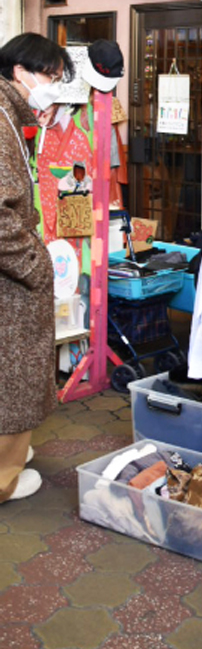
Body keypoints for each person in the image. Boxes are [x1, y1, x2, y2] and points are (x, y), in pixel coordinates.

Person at [0, 32, 73, 502]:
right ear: (20, 73)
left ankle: (10, 456)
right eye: (50, 75)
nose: (54, 86)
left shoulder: (10, 117)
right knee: (14, 379)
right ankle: (3, 481)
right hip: (12, 279)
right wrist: (37, 266)